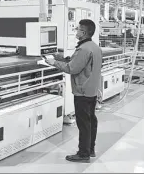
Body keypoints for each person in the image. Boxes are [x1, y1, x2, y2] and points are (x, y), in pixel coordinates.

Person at [44, 19, 103, 163]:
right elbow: (79, 62)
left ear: (83, 32)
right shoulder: (94, 47)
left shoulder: (83, 49)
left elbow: (72, 68)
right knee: (90, 121)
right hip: (92, 90)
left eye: (77, 29)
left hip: (82, 91)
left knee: (83, 124)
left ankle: (83, 154)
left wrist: (53, 63)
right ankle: (90, 149)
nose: (76, 31)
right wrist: (63, 58)